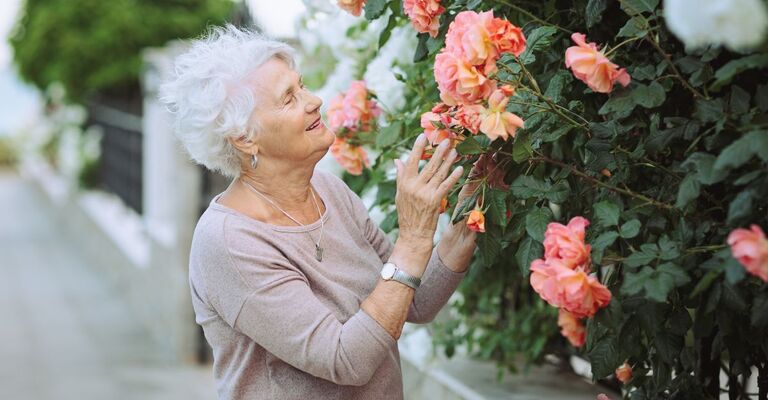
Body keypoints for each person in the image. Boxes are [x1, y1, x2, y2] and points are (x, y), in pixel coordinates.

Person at [160, 25, 478, 400]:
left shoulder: (329, 191)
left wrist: (463, 228)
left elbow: (413, 300)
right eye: (288, 99)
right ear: (246, 138)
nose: (314, 101)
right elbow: (345, 360)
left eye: (303, 86)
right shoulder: (229, 242)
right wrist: (413, 237)